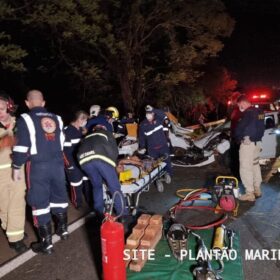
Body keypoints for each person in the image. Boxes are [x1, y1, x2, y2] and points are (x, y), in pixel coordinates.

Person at [12, 90, 69, 254]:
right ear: (43, 103)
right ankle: (63, 230)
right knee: (59, 196)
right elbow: (62, 141)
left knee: (39, 202)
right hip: (57, 165)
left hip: (38, 166)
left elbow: (21, 146)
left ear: (28, 103)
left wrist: (17, 166)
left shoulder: (25, 119)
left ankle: (47, 244)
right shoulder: (57, 118)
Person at [77, 123, 128, 221]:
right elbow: (114, 151)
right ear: (103, 128)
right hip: (100, 157)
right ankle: (123, 214)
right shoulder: (106, 133)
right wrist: (113, 167)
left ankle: (99, 212)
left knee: (96, 186)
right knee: (114, 187)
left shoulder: (87, 136)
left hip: (83, 160)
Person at [0, 93, 27, 253]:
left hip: (18, 169)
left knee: (17, 202)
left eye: (2, 108)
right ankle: (12, 230)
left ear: (9, 107)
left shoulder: (20, 123)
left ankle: (15, 239)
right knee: (4, 206)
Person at [234, 95, 265, 202]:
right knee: (255, 165)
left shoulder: (249, 112)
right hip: (257, 143)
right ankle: (257, 189)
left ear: (242, 102)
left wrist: (244, 137)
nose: (239, 107)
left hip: (248, 144)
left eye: (238, 105)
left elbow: (248, 126)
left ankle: (249, 194)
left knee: (245, 167)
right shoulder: (259, 111)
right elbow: (260, 127)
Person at [64, 110, 92, 209]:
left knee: (87, 181)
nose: (86, 122)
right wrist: (69, 165)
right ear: (80, 119)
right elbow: (65, 151)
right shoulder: (68, 131)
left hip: (82, 161)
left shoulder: (80, 130)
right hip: (73, 163)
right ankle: (77, 204)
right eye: (85, 120)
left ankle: (90, 202)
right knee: (76, 185)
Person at [138, 105, 172, 178]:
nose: (148, 116)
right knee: (154, 166)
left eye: (150, 113)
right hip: (152, 150)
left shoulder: (159, 119)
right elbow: (141, 137)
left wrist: (153, 109)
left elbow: (163, 114)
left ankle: (168, 175)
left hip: (163, 146)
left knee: (167, 162)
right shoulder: (143, 125)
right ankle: (157, 179)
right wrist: (142, 147)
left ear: (153, 114)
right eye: (147, 114)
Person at [228, 92, 242, 178]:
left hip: (238, 139)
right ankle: (235, 175)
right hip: (234, 138)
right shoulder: (235, 110)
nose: (231, 102)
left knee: (237, 159)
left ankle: (238, 177)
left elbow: (240, 125)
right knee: (234, 158)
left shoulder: (240, 110)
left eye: (232, 100)